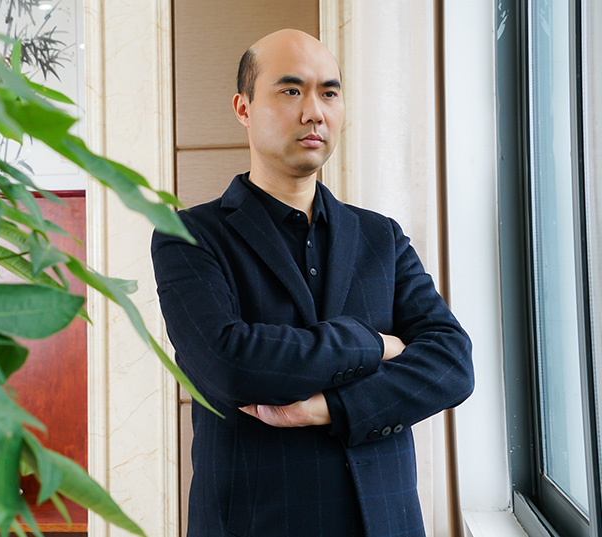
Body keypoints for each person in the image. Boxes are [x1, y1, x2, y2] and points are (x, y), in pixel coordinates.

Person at [151, 28, 474, 537]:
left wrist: (328, 409)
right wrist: (374, 344)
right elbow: (229, 363)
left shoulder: (380, 236)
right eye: (290, 90)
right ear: (243, 108)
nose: (314, 112)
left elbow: (452, 363)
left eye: (329, 92)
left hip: (386, 524)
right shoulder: (190, 236)